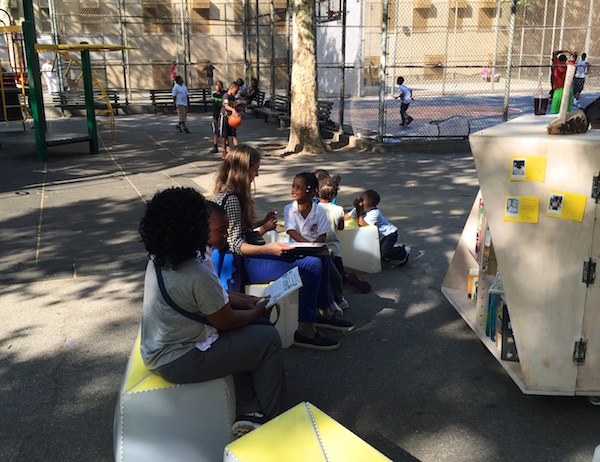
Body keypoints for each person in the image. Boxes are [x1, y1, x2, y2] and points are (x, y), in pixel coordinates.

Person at [139, 187, 286, 439]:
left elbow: (218, 302)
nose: (225, 234)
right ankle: (275, 419)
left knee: (253, 334)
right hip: (179, 359)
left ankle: (249, 408)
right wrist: (258, 311)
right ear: (195, 228)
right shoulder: (197, 273)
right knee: (268, 339)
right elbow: (226, 321)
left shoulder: (159, 258)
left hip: (159, 348)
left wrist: (251, 305)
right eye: (216, 229)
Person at [213, 145, 354, 351]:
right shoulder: (232, 199)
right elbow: (235, 245)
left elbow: (239, 231)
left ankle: (322, 310)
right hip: (244, 263)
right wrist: (269, 249)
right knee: (312, 264)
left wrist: (262, 225)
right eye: (255, 169)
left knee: (321, 255)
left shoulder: (229, 194)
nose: (257, 174)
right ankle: (305, 330)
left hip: (250, 256)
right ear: (244, 169)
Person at [284, 172, 352, 316]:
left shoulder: (319, 211)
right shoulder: (289, 209)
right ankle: (326, 305)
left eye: (299, 187)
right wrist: (309, 246)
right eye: (293, 186)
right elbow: (291, 231)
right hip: (297, 249)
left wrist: (315, 247)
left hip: (318, 249)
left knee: (334, 275)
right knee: (319, 268)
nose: (294, 190)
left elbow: (322, 235)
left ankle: (331, 301)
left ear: (312, 192)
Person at [317, 175, 371, 296]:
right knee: (338, 273)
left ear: (317, 194)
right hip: (334, 246)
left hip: (318, 245)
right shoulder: (339, 209)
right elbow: (340, 227)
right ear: (335, 195)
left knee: (322, 272)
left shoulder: (314, 208)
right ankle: (341, 291)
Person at [345, 189, 411, 267]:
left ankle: (404, 252)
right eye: (361, 206)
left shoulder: (374, 213)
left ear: (372, 207)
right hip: (378, 236)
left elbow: (362, 225)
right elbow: (346, 217)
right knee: (377, 255)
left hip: (388, 234)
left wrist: (358, 212)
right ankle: (386, 255)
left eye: (364, 207)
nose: (362, 209)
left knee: (386, 251)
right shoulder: (359, 208)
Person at [219, 81, 240, 157]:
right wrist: (233, 110)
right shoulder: (226, 96)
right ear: (231, 88)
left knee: (234, 134)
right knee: (224, 135)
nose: (236, 92)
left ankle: (237, 150)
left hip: (231, 118)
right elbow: (226, 106)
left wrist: (237, 110)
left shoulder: (233, 97)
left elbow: (234, 106)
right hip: (224, 116)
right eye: (236, 90)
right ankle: (224, 150)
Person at [550, 50, 573, 114]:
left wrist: (563, 51)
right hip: (567, 87)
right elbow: (573, 59)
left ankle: (555, 115)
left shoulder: (557, 64)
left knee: (556, 105)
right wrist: (568, 52)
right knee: (566, 106)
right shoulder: (567, 66)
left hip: (559, 87)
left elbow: (554, 53)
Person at [211, 80, 226, 153]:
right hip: (215, 115)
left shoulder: (224, 94)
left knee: (223, 132)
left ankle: (225, 147)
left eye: (219, 85)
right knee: (215, 131)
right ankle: (215, 146)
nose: (218, 87)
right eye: (217, 85)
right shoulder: (214, 95)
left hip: (221, 115)